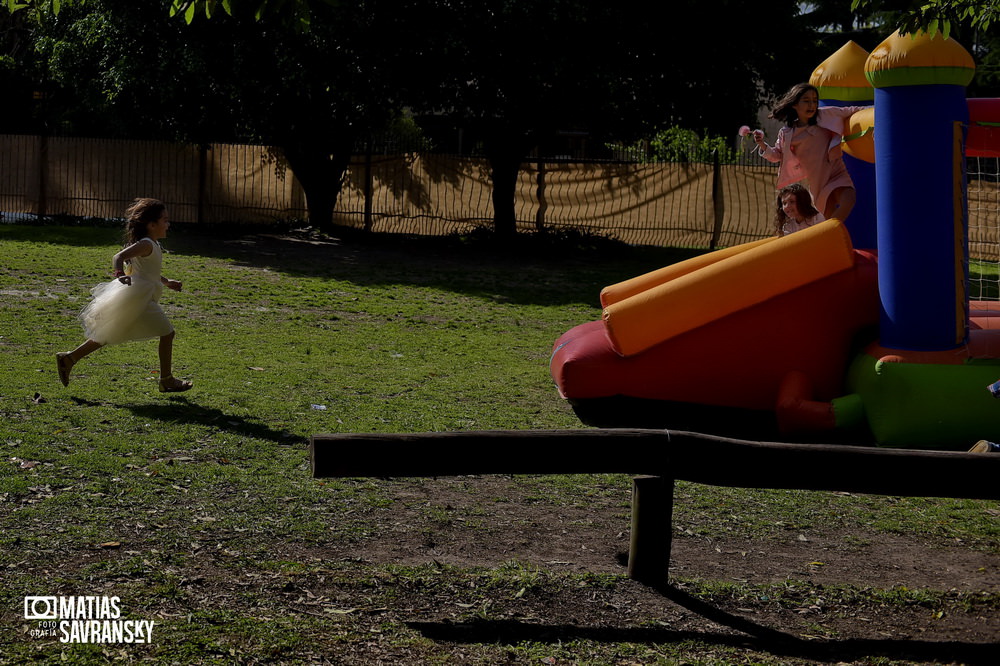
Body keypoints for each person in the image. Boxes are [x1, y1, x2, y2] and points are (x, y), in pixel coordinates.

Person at [55, 198, 193, 393]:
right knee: (168, 333)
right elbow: (118, 257)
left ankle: (69, 359)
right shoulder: (146, 244)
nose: (168, 224)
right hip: (140, 298)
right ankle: (166, 380)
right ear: (152, 225)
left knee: (111, 331)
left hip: (142, 295)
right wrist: (119, 274)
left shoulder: (151, 244)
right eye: (165, 220)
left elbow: (146, 271)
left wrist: (167, 282)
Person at [752, 83, 868, 222]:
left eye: (814, 101)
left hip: (836, 171)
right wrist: (762, 145)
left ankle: (829, 231)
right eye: (806, 101)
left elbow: (851, 110)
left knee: (849, 197)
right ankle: (826, 235)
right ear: (794, 104)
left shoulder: (825, 115)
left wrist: (877, 108)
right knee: (827, 214)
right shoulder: (788, 133)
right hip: (818, 180)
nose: (811, 105)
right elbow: (777, 155)